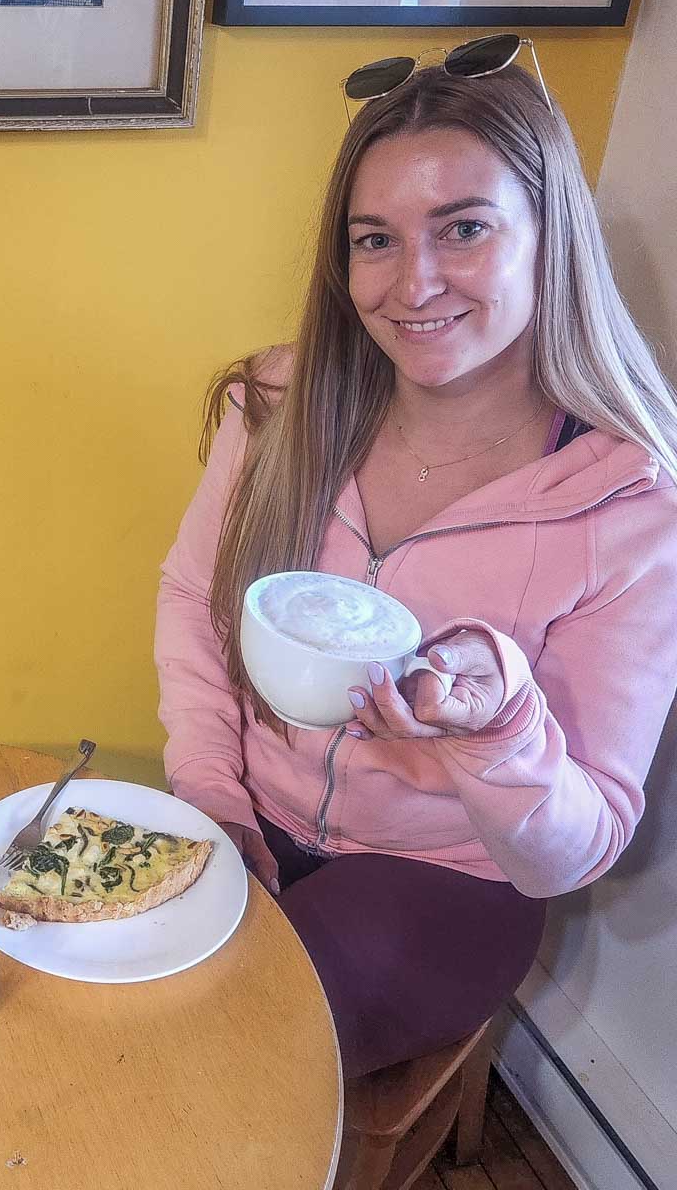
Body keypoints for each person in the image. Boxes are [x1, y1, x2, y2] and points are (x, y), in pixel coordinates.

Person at [154, 58, 677, 1080]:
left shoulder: (629, 503)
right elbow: (192, 601)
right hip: (246, 815)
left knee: (211, 1055)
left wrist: (499, 729)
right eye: (376, 240)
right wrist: (212, 795)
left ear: (551, 237)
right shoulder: (278, 409)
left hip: (443, 883)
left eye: (464, 228)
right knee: (73, 986)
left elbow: (575, 851)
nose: (414, 284)